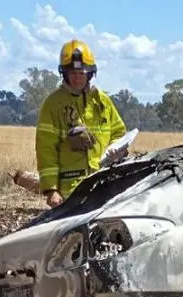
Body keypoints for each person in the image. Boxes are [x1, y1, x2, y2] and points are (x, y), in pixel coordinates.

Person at [36, 39, 127, 208]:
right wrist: (51, 190)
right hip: (71, 190)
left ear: (90, 73)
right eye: (73, 73)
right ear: (64, 73)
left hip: (104, 184)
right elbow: (46, 149)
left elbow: (118, 132)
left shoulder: (102, 101)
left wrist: (117, 150)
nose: (78, 78)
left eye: (82, 73)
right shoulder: (53, 104)